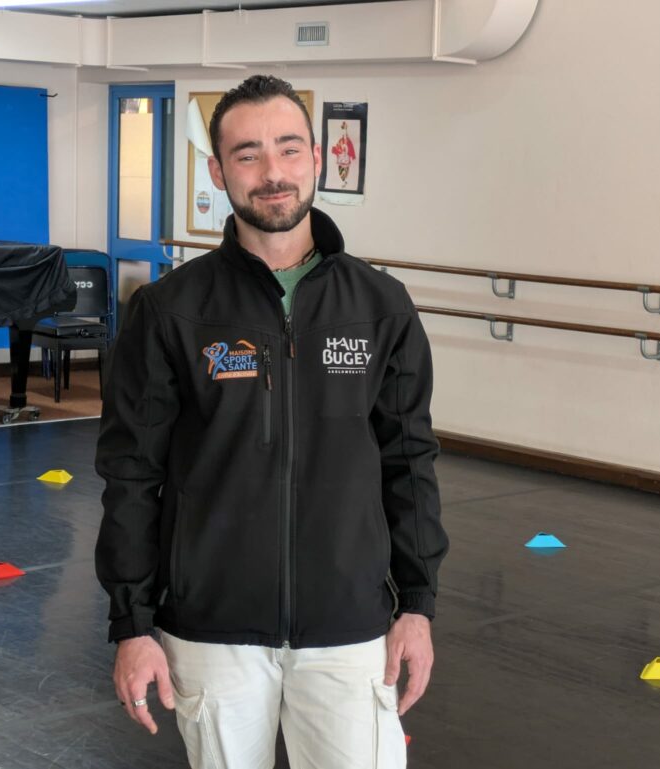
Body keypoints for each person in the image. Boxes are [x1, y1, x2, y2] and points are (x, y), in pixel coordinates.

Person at [95, 74, 449, 769]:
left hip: (351, 631)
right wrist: (132, 624)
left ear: (317, 158)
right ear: (218, 170)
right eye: (249, 154)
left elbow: (410, 461)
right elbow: (131, 473)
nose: (273, 173)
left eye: (288, 149)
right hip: (212, 630)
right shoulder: (170, 310)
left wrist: (418, 603)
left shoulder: (380, 306)